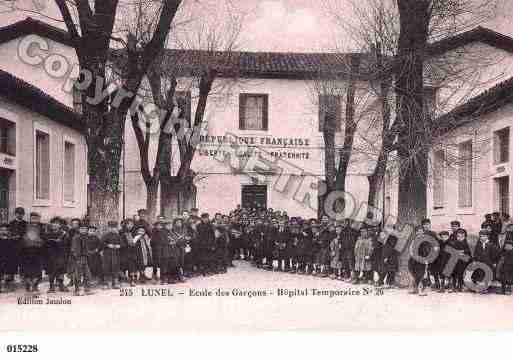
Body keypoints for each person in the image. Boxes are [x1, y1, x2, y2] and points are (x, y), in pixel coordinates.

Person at [44, 217, 70, 293]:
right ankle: (51, 286)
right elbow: (45, 243)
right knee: (51, 270)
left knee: (61, 270)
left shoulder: (64, 234)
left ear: (60, 225)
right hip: (50, 255)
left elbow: (66, 244)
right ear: (51, 224)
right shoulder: (48, 233)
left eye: (57, 223)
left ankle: (61, 284)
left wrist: (61, 241)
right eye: (54, 223)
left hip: (60, 254)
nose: (55, 225)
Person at [20, 213, 45, 293]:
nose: (34, 219)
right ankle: (28, 284)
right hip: (26, 251)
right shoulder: (25, 226)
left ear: (39, 219)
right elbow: (22, 237)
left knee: (37, 270)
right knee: (27, 269)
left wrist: (39, 241)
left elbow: (44, 238)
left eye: (36, 218)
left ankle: (35, 285)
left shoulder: (42, 227)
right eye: (32, 218)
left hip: (38, 251)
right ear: (30, 219)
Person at [70, 223, 94, 296]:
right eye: (82, 229)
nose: (84, 230)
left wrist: (88, 254)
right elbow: (74, 249)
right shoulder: (76, 238)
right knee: (78, 274)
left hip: (85, 258)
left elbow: (87, 248)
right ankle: (77, 290)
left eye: (85, 229)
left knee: (87, 274)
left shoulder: (86, 237)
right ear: (79, 229)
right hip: (78, 258)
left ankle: (87, 289)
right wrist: (77, 257)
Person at [446, 228, 471, 292]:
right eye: (458, 236)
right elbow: (450, 251)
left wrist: (463, 252)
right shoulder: (454, 243)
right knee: (453, 274)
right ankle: (453, 286)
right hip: (455, 261)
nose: (460, 238)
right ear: (456, 236)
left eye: (462, 236)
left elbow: (468, 252)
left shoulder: (465, 243)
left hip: (462, 262)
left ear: (464, 236)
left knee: (461, 274)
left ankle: (460, 285)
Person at [160, 219, 183, 284]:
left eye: (171, 225)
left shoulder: (172, 232)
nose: (170, 226)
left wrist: (177, 240)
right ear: (165, 225)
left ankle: (171, 278)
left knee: (172, 265)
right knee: (165, 266)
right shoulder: (162, 232)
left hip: (172, 251)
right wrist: (170, 242)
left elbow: (175, 239)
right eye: (169, 225)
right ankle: (164, 279)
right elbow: (162, 241)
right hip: (165, 251)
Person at [101, 221, 122, 290]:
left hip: (116, 254)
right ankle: (107, 283)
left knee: (115, 267)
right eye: (111, 228)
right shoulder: (105, 235)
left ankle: (115, 282)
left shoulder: (118, 235)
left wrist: (119, 246)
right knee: (107, 267)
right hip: (107, 254)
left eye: (114, 228)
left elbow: (122, 243)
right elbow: (101, 243)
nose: (113, 229)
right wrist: (108, 245)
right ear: (108, 228)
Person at [0, 223, 18, 293]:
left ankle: (8, 286)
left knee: (9, 273)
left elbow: (14, 251)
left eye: (6, 230)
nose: (4, 231)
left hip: (9, 259)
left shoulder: (11, 240)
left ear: (9, 231)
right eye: (2, 230)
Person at [497, 227, 513, 295]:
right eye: (507, 245)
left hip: (510, 267)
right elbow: (501, 256)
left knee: (509, 278)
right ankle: (503, 290)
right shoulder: (504, 252)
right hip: (504, 266)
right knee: (503, 278)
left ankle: (508, 289)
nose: (508, 246)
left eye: (509, 246)